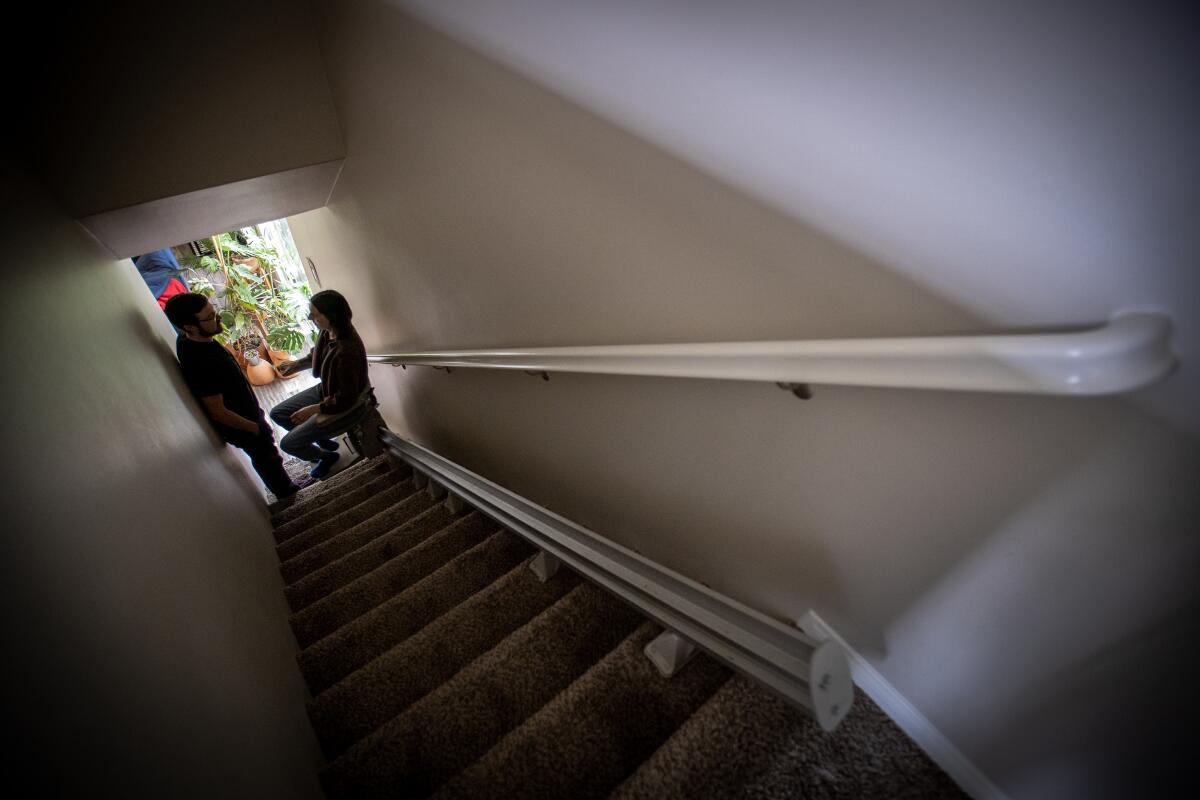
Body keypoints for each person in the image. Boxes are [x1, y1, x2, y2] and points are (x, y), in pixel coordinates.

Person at [164, 292, 307, 500]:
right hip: (242, 423)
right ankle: (288, 494)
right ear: (190, 327)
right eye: (210, 317)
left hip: (247, 412)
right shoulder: (200, 361)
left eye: (213, 312)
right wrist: (254, 427)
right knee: (266, 456)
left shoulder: (190, 340)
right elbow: (217, 411)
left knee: (268, 454)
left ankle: (286, 485)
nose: (218, 318)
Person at [271, 289, 370, 480]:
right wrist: (297, 365)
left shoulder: (346, 351)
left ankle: (325, 457)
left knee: (288, 445)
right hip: (327, 391)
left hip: (342, 405)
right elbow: (318, 354)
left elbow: (347, 398)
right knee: (278, 413)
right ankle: (321, 438)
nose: (311, 317)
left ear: (331, 315)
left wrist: (315, 409)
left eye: (316, 314)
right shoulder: (328, 331)